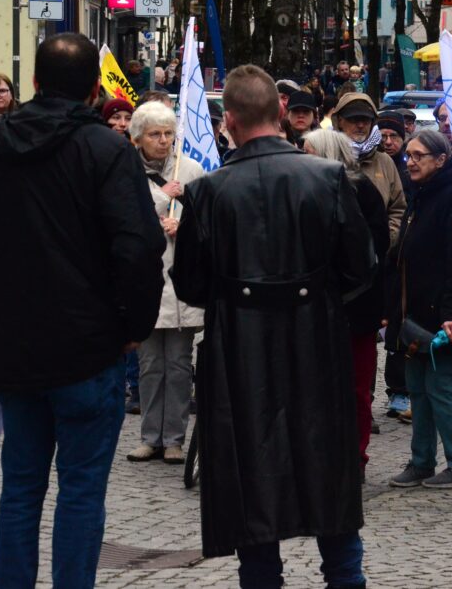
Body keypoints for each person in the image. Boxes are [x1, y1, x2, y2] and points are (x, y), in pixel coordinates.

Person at [0, 33, 165, 588]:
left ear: (34, 83)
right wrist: (133, 328)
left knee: (20, 488)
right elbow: (138, 247)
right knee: (82, 492)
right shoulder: (108, 151)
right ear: (95, 89)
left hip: (14, 350)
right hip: (90, 351)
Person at [170, 65, 374, 588]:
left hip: (241, 354)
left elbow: (190, 284)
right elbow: (359, 269)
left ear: (229, 120)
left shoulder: (208, 192)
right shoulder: (328, 179)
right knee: (328, 482)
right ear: (281, 112)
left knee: (251, 484)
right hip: (317, 349)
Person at [386, 129, 452, 489]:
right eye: (407, 155)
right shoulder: (420, 194)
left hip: (441, 316)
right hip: (414, 315)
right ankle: (422, 461)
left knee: (440, 387)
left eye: (418, 156)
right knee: (418, 387)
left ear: (440, 160)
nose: (409, 161)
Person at [124, 102, 206, 465]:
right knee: (149, 365)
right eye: (155, 134)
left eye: (168, 133)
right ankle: (149, 436)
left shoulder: (190, 169)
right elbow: (126, 213)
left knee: (178, 366)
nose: (163, 141)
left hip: (181, 281)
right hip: (145, 281)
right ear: (138, 138)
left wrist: (182, 225)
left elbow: (207, 218)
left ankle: (174, 438)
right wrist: (162, 200)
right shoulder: (126, 171)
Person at [304, 129, 389, 475]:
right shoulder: (303, 188)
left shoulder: (361, 192)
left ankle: (355, 455)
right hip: (312, 306)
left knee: (355, 386)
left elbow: (373, 250)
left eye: (309, 151)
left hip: (355, 306)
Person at [331, 92, 407, 245]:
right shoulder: (326, 156)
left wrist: (385, 242)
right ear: (339, 121)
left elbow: (398, 210)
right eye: (353, 119)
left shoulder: (385, 161)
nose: (360, 125)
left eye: (365, 120)